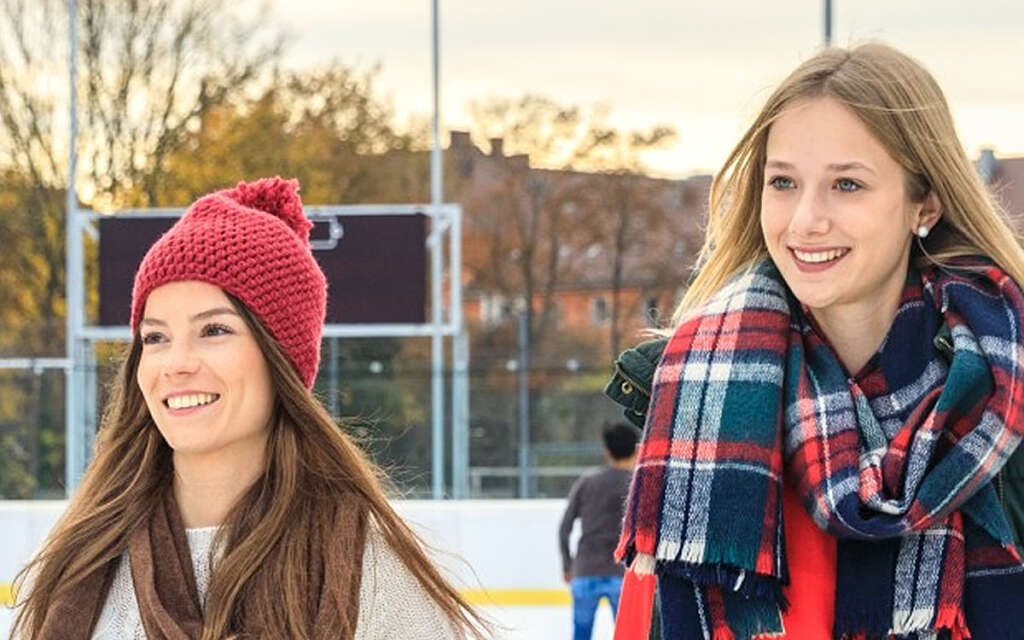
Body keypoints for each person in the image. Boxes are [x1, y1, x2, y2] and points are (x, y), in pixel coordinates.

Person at [607, 43, 1024, 640]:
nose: (805, 220)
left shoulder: (1005, 394)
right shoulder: (695, 395)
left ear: (925, 203)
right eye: (783, 182)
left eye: (847, 184)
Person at [11, 177, 488, 639]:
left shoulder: (371, 573)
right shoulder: (78, 566)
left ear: (280, 358)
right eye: (155, 337)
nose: (176, 363)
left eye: (214, 330)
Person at [558, 421, 638, 640]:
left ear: (607, 451)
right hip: (622, 573)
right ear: (635, 450)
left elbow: (565, 528)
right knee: (628, 634)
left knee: (581, 634)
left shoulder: (587, 481)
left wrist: (567, 565)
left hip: (586, 569)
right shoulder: (637, 483)